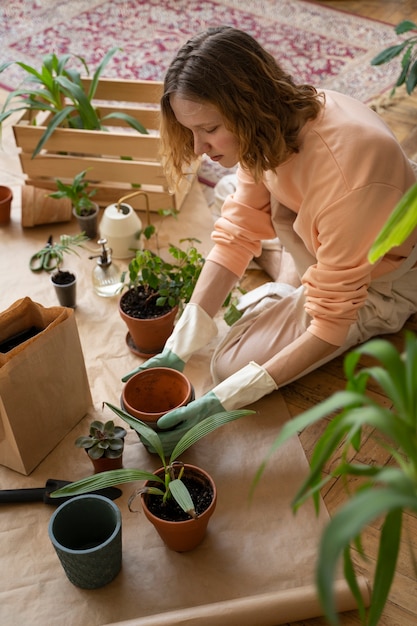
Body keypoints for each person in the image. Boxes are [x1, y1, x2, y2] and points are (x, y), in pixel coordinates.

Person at [124, 25, 417, 452]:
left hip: (384, 275)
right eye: (190, 131)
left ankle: (294, 281)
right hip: (325, 229)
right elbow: (237, 231)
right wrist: (178, 344)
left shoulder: (348, 174)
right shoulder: (272, 123)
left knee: (228, 366)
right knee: (231, 194)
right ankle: (294, 271)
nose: (199, 147)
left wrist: (220, 402)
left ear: (247, 106)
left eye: (208, 129)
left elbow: (329, 326)